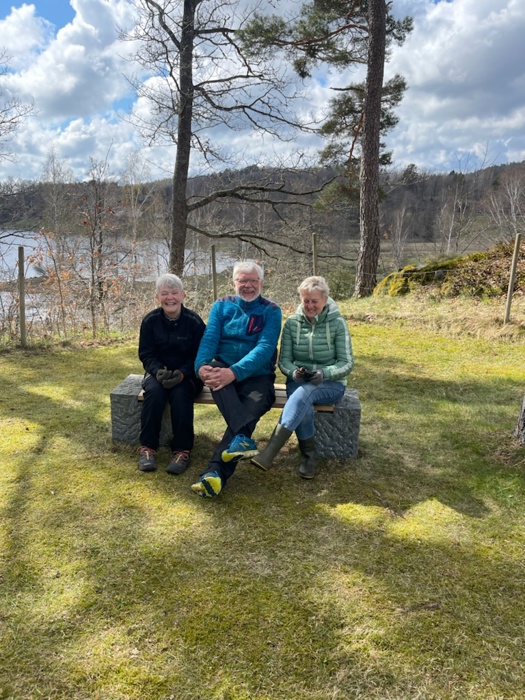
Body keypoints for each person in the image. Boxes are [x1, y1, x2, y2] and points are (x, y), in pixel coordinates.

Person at [192, 261, 282, 498]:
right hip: (222, 370)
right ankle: (238, 444)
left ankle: (214, 473)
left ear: (261, 283)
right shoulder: (221, 306)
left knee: (250, 409)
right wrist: (201, 367)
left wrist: (234, 373)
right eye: (242, 280)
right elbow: (209, 339)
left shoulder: (271, 310)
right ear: (233, 283)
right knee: (214, 374)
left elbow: (264, 349)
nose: (248, 285)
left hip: (258, 377)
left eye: (253, 280)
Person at [251, 275, 353, 479]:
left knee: (303, 395)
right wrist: (293, 373)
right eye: (306, 301)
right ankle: (308, 456)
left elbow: (347, 363)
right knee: (302, 402)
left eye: (314, 301)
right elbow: (284, 360)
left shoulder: (338, 324)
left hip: (330, 384)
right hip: (298, 382)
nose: (310, 305)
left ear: (325, 300)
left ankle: (269, 452)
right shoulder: (292, 323)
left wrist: (325, 373)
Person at [138, 273, 205, 474]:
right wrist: (158, 371)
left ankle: (182, 450)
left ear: (183, 295)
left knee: (181, 393)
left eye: (174, 293)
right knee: (154, 393)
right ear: (157, 296)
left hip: (187, 375)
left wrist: (182, 374)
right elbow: (146, 353)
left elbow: (200, 355)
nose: (170, 298)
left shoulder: (194, 322)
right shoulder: (150, 321)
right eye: (165, 293)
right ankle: (147, 447)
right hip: (158, 374)